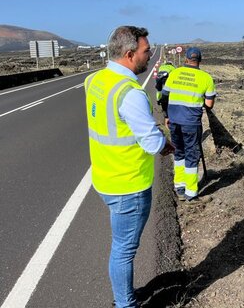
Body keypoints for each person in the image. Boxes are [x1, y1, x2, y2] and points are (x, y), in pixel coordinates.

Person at [84, 26, 174, 308]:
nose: (149, 56)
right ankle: (125, 304)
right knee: (124, 250)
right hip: (129, 184)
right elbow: (150, 141)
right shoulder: (130, 93)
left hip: (105, 178)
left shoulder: (95, 80)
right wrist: (165, 144)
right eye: (147, 51)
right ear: (129, 53)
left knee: (121, 247)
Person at [160, 47, 216, 201]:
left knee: (179, 152)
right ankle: (191, 193)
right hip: (191, 122)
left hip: (174, 120)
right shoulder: (206, 78)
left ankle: (179, 186)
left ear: (185, 59)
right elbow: (209, 104)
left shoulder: (174, 73)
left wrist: (166, 115)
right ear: (200, 60)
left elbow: (164, 97)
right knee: (192, 155)